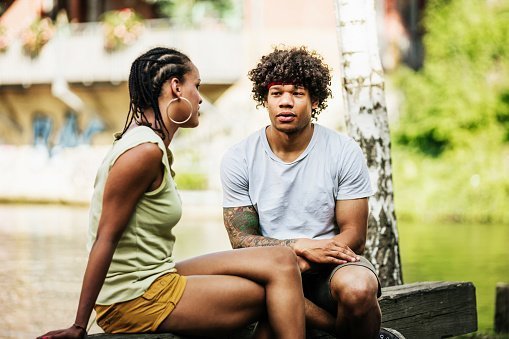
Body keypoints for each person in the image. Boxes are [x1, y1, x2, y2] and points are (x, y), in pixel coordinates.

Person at [38, 47, 305, 339]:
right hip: (134, 297)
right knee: (264, 293)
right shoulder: (143, 152)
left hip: (157, 275)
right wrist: (78, 325)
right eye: (196, 86)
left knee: (280, 259)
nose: (200, 98)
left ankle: (331, 325)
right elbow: (105, 238)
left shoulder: (154, 146)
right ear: (176, 87)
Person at [220, 46, 400, 339]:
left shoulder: (343, 151)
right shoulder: (239, 157)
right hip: (271, 268)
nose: (285, 102)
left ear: (315, 100)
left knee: (358, 288)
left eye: (297, 93)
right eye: (276, 93)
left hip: (333, 264)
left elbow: (355, 235)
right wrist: (296, 249)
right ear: (265, 100)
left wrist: (311, 258)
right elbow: (240, 240)